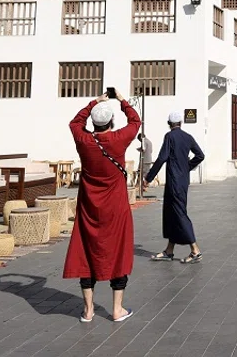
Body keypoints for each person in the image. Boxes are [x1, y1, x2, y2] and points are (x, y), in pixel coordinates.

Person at [63, 91, 141, 323]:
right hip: (115, 207)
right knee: (118, 253)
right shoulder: (118, 139)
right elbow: (136, 121)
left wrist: (94, 102)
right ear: (111, 122)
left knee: (86, 253)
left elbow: (75, 122)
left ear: (93, 123)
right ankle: (117, 310)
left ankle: (88, 311)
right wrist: (122, 100)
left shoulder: (84, 140)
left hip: (89, 207)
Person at [145, 110, 205, 264]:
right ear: (180, 123)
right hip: (183, 180)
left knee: (179, 213)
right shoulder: (188, 137)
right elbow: (200, 155)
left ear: (169, 123)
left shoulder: (170, 136)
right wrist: (187, 166)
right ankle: (169, 251)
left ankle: (195, 250)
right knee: (172, 214)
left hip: (174, 181)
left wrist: (148, 177)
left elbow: (162, 157)